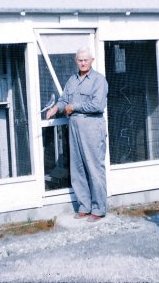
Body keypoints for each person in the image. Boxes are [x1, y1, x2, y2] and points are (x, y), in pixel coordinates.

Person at [46, 47, 108, 222]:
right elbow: (64, 99)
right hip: (73, 127)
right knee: (78, 167)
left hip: (91, 126)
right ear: (76, 61)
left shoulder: (99, 80)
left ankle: (98, 209)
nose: (82, 63)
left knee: (94, 169)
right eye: (79, 60)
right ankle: (84, 206)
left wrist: (74, 107)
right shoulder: (72, 80)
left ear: (91, 61)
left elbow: (97, 105)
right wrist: (56, 108)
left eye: (85, 60)